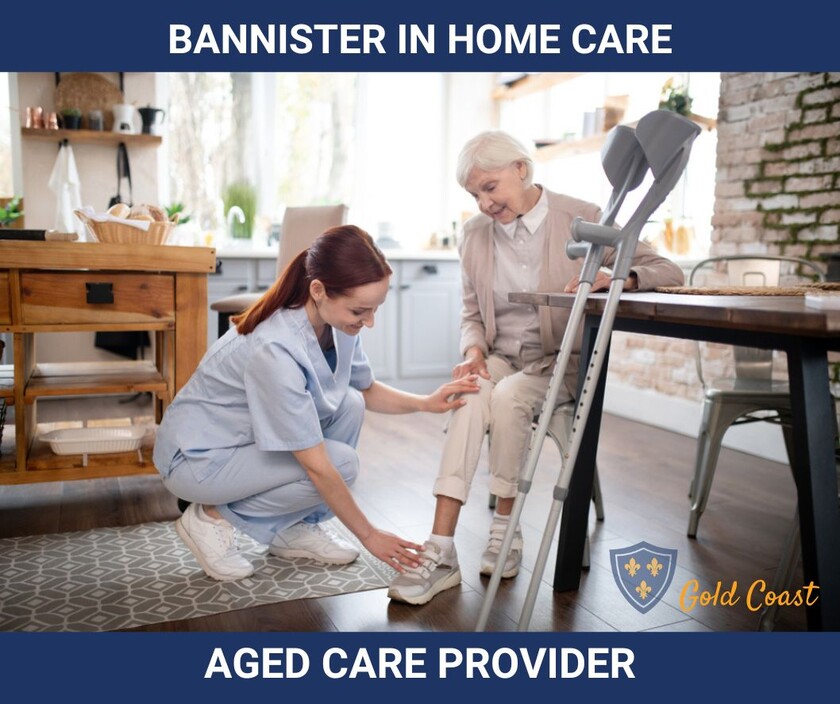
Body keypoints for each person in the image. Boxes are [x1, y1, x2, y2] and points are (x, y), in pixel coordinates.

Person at [387, 130, 685, 605]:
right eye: (474, 194)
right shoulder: (474, 235)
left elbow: (668, 269)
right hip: (503, 359)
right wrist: (473, 354)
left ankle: (505, 531)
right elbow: (471, 314)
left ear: (521, 170)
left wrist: (622, 276)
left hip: (560, 363)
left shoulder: (584, 217)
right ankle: (440, 550)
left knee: (506, 399)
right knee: (469, 395)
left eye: (490, 187)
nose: (484, 203)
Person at [153, 225, 479, 582]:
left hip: (243, 444)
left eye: (375, 310)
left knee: (350, 404)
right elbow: (318, 468)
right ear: (319, 291)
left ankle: (294, 527)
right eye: (360, 311)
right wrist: (370, 535)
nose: (369, 322)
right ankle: (209, 518)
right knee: (341, 464)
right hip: (200, 458)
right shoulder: (275, 347)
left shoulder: (336, 323)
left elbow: (365, 389)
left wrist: (426, 403)